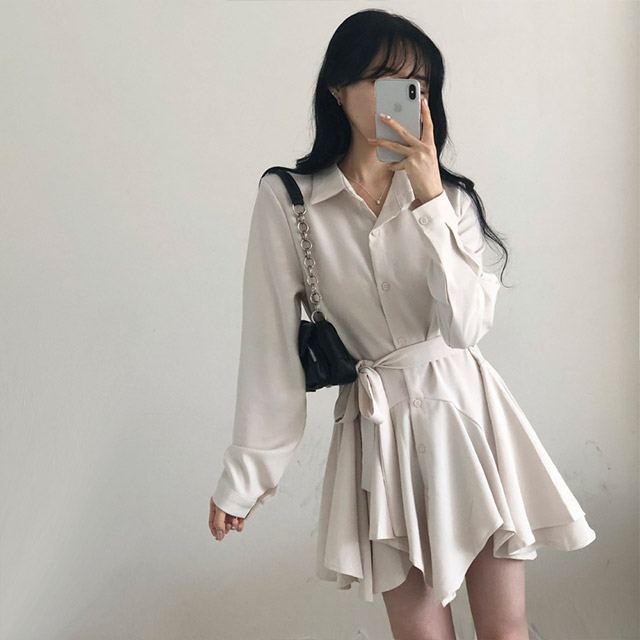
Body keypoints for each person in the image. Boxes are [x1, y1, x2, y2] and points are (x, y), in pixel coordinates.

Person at [208, 9, 596, 640]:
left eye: (418, 83)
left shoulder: (452, 199)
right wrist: (245, 479)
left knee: (506, 631)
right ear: (337, 89)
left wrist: (430, 197)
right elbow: (269, 351)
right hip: (379, 437)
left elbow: (466, 328)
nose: (405, 95)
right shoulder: (291, 201)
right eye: (385, 80)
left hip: (469, 420)